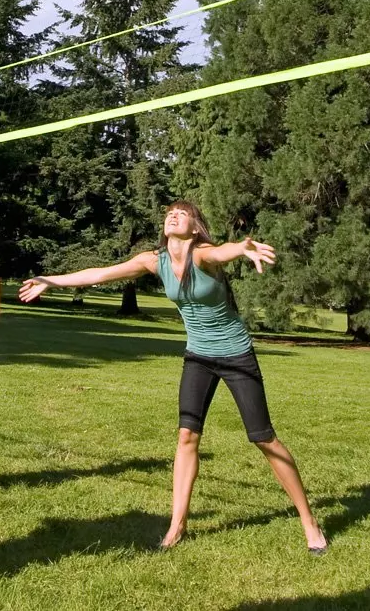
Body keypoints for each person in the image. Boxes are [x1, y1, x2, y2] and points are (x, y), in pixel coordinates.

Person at [19, 200, 327, 554]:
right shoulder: (154, 260)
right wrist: (49, 281)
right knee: (186, 435)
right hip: (198, 357)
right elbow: (100, 273)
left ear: (196, 227)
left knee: (263, 438)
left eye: (182, 213)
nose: (173, 215)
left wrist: (243, 248)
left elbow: (222, 252)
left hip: (236, 355)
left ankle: (308, 521)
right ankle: (177, 526)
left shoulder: (202, 254)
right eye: (169, 213)